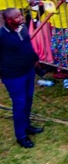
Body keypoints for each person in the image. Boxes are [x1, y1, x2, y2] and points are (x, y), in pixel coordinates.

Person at [0, 8, 42, 148]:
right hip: (13, 75)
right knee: (19, 103)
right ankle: (21, 136)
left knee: (29, 98)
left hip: (28, 70)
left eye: (21, 15)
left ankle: (27, 125)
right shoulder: (2, 36)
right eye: (17, 17)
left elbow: (27, 45)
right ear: (9, 20)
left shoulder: (22, 27)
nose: (22, 18)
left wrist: (35, 58)